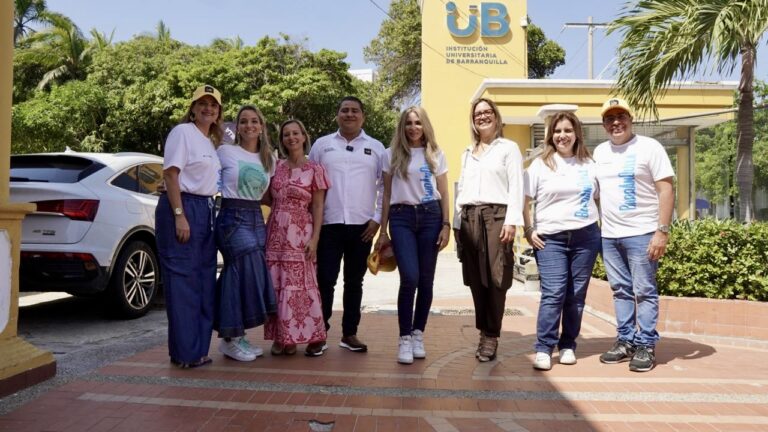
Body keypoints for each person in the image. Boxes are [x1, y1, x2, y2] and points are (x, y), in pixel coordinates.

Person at [594, 97, 675, 373]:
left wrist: (661, 231)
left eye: (621, 117)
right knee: (620, 290)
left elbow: (666, 189)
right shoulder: (600, 153)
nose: (616, 122)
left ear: (631, 119)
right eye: (610, 118)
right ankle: (625, 340)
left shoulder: (649, 147)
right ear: (604, 124)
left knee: (644, 290)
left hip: (642, 233)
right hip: (610, 235)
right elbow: (595, 194)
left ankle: (646, 344)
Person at [522, 111, 601, 371]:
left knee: (576, 295)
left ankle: (568, 345)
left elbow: (599, 198)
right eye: (557, 131)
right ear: (551, 136)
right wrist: (528, 228)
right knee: (554, 293)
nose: (562, 136)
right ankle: (544, 347)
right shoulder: (540, 164)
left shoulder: (589, 163)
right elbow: (524, 199)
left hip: (585, 237)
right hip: (551, 239)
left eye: (567, 130)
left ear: (577, 133)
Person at [309, 96, 385, 353]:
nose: (349, 114)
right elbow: (310, 183)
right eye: (344, 110)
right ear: (338, 115)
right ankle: (319, 333)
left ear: (363, 116)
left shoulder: (376, 148)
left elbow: (385, 188)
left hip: (362, 227)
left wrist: (377, 219)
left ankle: (349, 333)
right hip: (328, 225)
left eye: (354, 111)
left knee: (354, 283)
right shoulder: (322, 145)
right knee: (325, 281)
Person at [376, 107, 450, 365]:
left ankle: (419, 333)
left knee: (426, 280)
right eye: (408, 123)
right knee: (410, 277)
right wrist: (382, 230)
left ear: (424, 125)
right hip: (401, 217)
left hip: (431, 217)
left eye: (418, 123)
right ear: (402, 126)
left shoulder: (436, 154)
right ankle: (404, 337)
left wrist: (446, 224)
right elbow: (385, 194)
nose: (413, 127)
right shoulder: (390, 155)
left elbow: (444, 191)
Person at [156, 85, 222, 369]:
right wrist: (179, 214)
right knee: (182, 281)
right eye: (202, 103)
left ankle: (194, 348)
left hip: (206, 210)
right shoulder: (182, 132)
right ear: (193, 108)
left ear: (219, 113)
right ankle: (186, 352)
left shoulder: (209, 142)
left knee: (204, 280)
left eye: (213, 105)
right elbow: (171, 174)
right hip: (184, 208)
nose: (208, 108)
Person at [453, 97, 524, 362]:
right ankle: (483, 331)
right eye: (477, 113)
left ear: (496, 116)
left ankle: (491, 334)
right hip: (469, 218)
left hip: (497, 217)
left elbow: (517, 186)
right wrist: (457, 223)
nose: (482, 116)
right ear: (472, 120)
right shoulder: (467, 152)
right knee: (475, 279)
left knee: (496, 278)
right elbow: (463, 190)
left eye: (487, 112)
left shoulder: (508, 148)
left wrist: (512, 221)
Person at [213, 105, 277, 362]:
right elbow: (202, 173)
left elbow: (268, 194)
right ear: (237, 127)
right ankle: (230, 338)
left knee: (244, 275)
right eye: (243, 121)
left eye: (254, 121)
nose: (249, 125)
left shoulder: (269, 158)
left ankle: (235, 335)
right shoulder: (225, 151)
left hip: (255, 217)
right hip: (231, 216)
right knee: (242, 269)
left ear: (261, 127)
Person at [265, 119, 330, 357]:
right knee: (277, 285)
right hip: (275, 234)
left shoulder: (315, 169)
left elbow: (319, 207)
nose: (291, 138)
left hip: (301, 234)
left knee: (302, 286)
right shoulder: (276, 166)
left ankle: (306, 336)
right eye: (286, 135)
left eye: (295, 133)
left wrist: (315, 239)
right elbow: (264, 195)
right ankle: (283, 338)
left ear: (304, 136)